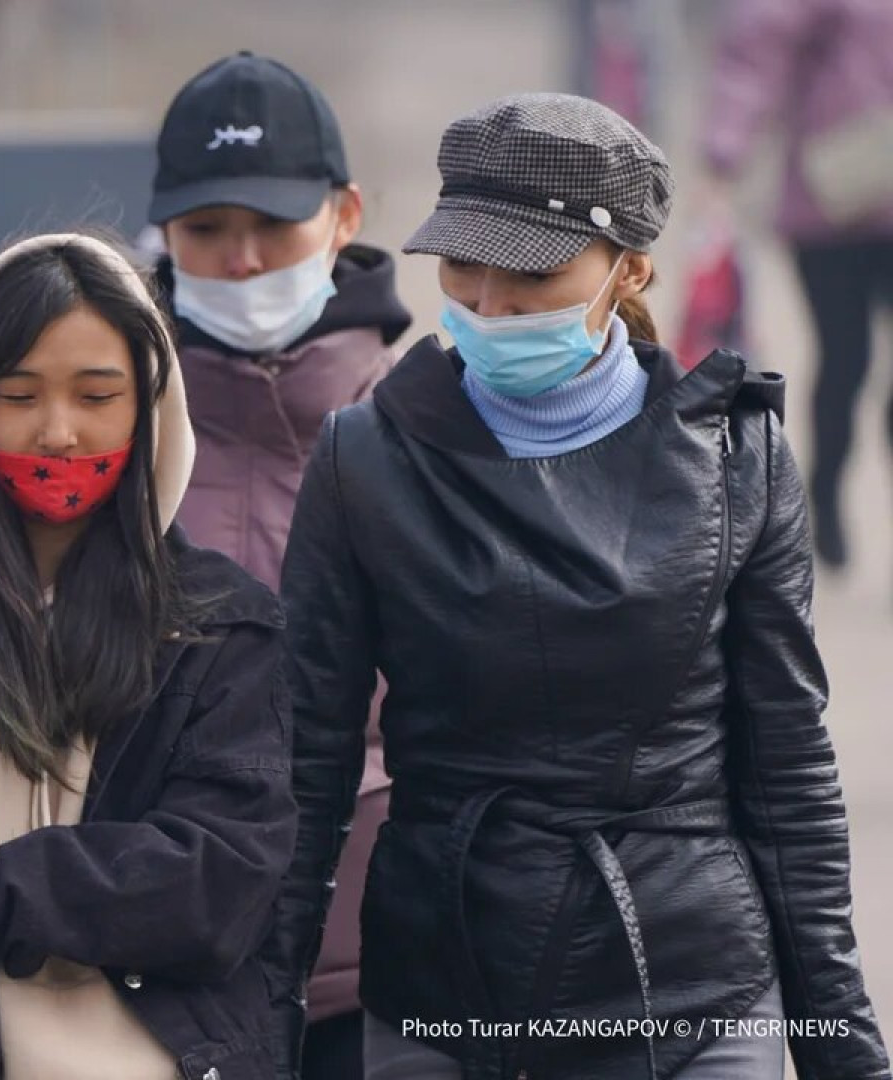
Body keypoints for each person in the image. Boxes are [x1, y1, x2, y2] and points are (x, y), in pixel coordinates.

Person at [269, 93, 889, 1079]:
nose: (489, 305)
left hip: (693, 993)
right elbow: (307, 764)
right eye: (464, 269)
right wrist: (261, 1023)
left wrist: (841, 1041)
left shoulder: (735, 452)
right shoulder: (366, 459)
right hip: (447, 986)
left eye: (532, 275)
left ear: (630, 270)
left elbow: (787, 764)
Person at [0, 232, 296, 1078]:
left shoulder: (224, 624)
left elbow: (216, 886)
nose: (58, 431)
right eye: (18, 394)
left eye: (98, 395)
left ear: (149, 410)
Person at [147, 53, 409, 1080]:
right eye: (206, 230)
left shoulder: (427, 426)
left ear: (344, 215)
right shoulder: (109, 438)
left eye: (271, 224)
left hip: (393, 981)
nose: (242, 261)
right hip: (163, 975)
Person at [702, 0, 893, 570]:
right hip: (835, 204)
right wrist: (724, 154)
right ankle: (827, 486)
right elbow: (754, 56)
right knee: (845, 361)